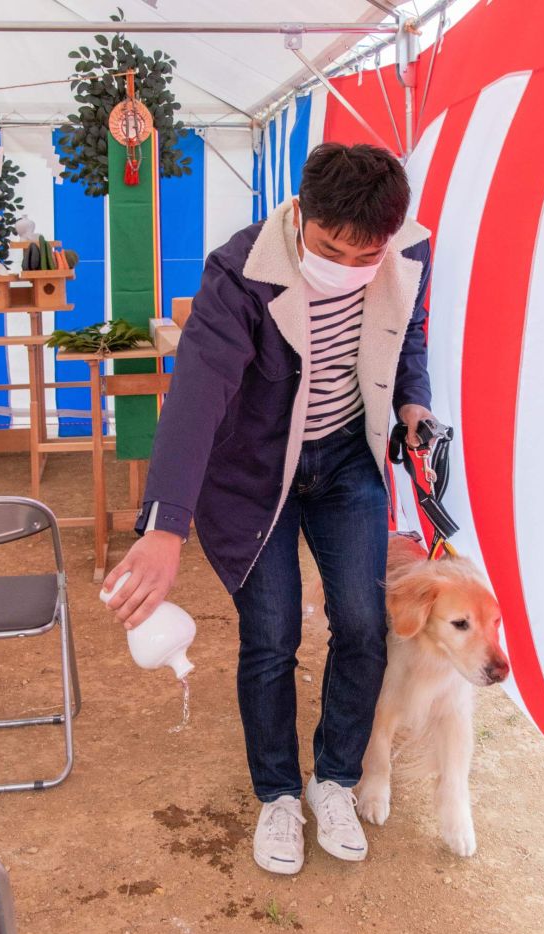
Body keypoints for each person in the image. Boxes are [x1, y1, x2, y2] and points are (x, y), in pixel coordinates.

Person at [103, 143, 436, 875]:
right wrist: (165, 527)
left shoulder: (408, 252)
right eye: (329, 250)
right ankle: (279, 795)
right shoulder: (239, 270)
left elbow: (406, 333)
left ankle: (335, 781)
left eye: (365, 256)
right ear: (298, 214)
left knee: (359, 622)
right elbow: (197, 394)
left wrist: (414, 402)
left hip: (347, 459)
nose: (349, 268)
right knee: (273, 632)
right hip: (253, 476)